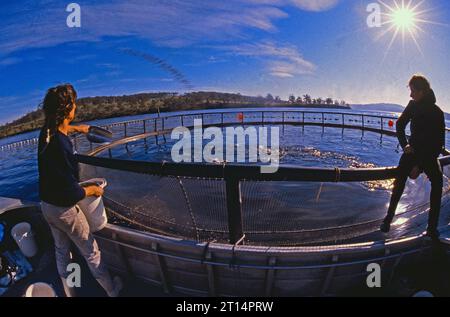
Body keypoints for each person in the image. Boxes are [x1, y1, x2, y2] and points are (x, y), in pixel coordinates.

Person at [38, 84, 122, 296]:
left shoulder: (46, 133)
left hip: (46, 206)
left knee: (61, 252)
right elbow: (70, 192)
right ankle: (112, 290)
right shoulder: (62, 145)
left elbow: (61, 129)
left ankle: (70, 291)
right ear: (67, 109)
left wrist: (80, 128)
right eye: (74, 104)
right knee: (91, 252)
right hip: (65, 211)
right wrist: (93, 190)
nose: (76, 107)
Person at [380, 75, 446, 240]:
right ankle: (388, 218)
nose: (410, 95)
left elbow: (439, 143)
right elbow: (400, 125)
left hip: (428, 154)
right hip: (412, 151)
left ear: (422, 91)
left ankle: (432, 227)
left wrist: (420, 166)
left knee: (437, 182)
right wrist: (405, 145)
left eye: (413, 91)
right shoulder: (413, 105)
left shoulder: (437, 112)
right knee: (400, 179)